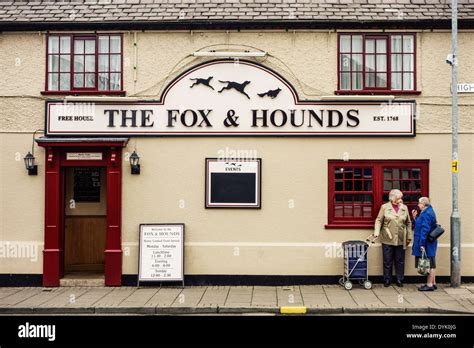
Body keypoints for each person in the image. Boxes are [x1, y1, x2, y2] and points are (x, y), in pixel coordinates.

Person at [374, 189, 412, 287]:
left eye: (401, 198)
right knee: (387, 260)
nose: (400, 199)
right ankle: (387, 279)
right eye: (399, 198)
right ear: (393, 198)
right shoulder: (384, 207)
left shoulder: (404, 208)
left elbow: (408, 223)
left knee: (400, 260)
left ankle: (399, 279)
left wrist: (409, 237)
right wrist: (376, 232)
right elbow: (379, 220)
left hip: (401, 238)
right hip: (387, 237)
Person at [412, 197, 438, 291]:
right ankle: (433, 283)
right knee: (432, 262)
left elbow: (425, 229)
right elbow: (421, 225)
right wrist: (415, 218)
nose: (418, 205)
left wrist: (422, 244)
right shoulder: (427, 211)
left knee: (430, 264)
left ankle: (429, 284)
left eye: (419, 203)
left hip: (427, 242)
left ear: (424, 204)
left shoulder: (426, 213)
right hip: (429, 242)